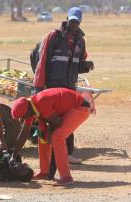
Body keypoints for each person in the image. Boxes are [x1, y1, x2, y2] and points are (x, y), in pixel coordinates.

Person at [33, 7, 94, 166]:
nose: (73, 24)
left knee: (68, 121)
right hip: (52, 86)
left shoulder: (81, 41)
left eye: (76, 21)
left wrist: (86, 66)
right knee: (51, 121)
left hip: (69, 87)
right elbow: (42, 61)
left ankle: (67, 154)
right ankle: (49, 159)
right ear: (67, 18)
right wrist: (39, 88)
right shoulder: (54, 36)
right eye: (72, 20)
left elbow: (78, 65)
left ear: (80, 22)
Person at [10, 88, 91, 186]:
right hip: (68, 109)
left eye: (24, 117)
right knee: (42, 136)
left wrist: (48, 132)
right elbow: (24, 133)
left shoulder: (41, 102)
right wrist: (13, 155)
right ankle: (45, 172)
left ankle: (66, 177)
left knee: (57, 137)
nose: (24, 119)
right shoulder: (30, 106)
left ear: (28, 111)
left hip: (80, 108)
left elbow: (57, 122)